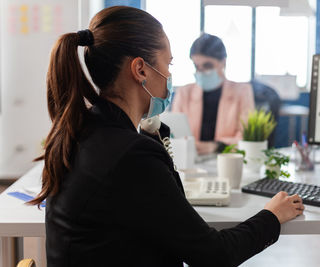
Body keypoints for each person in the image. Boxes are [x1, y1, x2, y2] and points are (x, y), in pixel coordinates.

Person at [29, 6, 304, 267]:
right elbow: (215, 255)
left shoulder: (84, 131)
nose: (171, 75)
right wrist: (272, 216)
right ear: (141, 70)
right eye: (168, 64)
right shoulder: (130, 155)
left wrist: (150, 134)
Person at [172, 33, 255, 155]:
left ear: (223, 62)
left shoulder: (242, 92)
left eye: (207, 65)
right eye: (196, 66)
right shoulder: (184, 93)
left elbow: (246, 137)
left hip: (227, 159)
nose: (201, 72)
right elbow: (175, 133)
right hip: (191, 162)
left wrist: (217, 146)